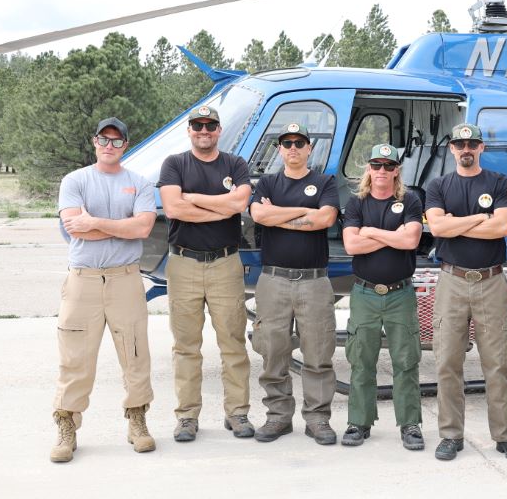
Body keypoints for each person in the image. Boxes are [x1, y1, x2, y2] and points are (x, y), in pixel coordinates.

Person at [51, 117, 157, 462]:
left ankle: (137, 420)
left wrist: (94, 221)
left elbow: (142, 228)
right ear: (94, 142)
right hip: (84, 280)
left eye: (116, 141)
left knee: (135, 351)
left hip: (125, 279)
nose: (109, 146)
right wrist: (119, 227)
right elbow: (74, 228)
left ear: (126, 145)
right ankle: (67, 426)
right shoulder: (76, 181)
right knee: (75, 356)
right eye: (103, 139)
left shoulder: (139, 184)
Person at [424, 123, 507, 463]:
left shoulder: (498, 183)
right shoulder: (438, 186)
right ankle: (451, 435)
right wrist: (479, 218)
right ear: (451, 149)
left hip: (491, 281)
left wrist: (459, 222)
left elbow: (502, 226)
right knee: (447, 362)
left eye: (471, 143)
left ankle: (505, 436)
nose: (465, 148)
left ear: (481, 147)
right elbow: (437, 228)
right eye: (459, 144)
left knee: (497, 363)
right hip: (451, 280)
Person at [159, 105, 254, 442]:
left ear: (218, 129)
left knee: (233, 342)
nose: (204, 130)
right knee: (186, 346)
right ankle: (187, 417)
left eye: (210, 125)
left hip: (225, 263)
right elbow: (173, 207)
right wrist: (221, 205)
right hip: (183, 263)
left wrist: (195, 199)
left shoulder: (235, 164)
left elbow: (239, 205)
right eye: (198, 125)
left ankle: (238, 413)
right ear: (189, 130)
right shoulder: (174, 164)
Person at [249, 123, 340, 445]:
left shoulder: (324, 182)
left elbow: (325, 219)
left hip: (314, 283)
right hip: (274, 281)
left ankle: (317, 418)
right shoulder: (267, 183)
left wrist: (281, 214)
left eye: (299, 142)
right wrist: (304, 211)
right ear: (279, 149)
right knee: (273, 352)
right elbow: (260, 216)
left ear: (308, 148)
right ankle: (278, 417)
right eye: (286, 143)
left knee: (318, 354)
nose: (293, 148)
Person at [341, 144, 425, 450]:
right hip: (364, 293)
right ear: (369, 169)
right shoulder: (356, 203)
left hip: (400, 293)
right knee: (361, 359)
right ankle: (358, 422)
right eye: (376, 164)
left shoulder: (410, 200)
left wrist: (370, 232)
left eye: (388, 166)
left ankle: (410, 424)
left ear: (396, 171)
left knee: (406, 360)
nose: (382, 171)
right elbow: (352, 246)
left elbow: (411, 240)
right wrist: (392, 236)